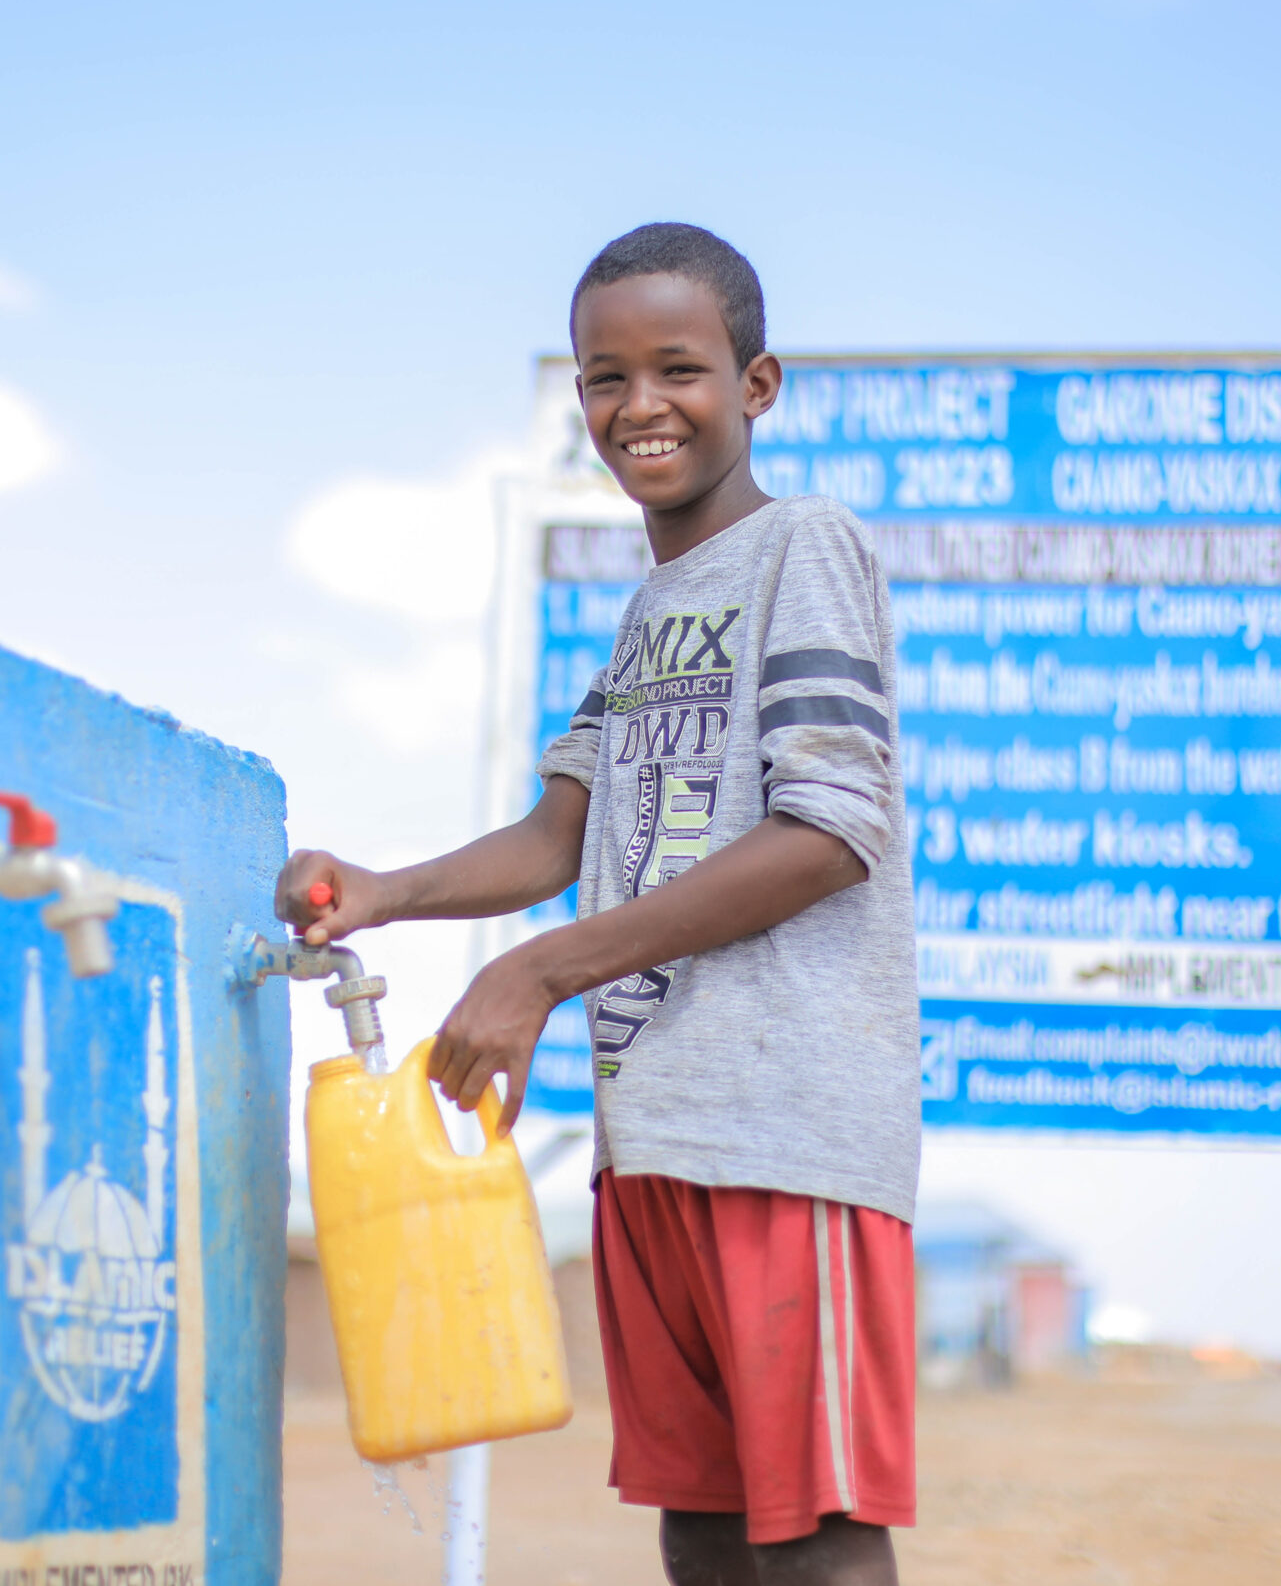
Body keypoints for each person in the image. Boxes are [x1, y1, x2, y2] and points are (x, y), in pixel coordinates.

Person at [276, 222, 921, 1586]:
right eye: (605, 377)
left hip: (786, 1128)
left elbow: (830, 831)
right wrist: (382, 891)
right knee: (702, 1528)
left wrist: (542, 971)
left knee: (815, 1540)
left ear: (757, 385)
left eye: (678, 369)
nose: (640, 406)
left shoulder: (804, 547)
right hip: (655, 1135)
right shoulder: (646, 620)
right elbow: (555, 834)